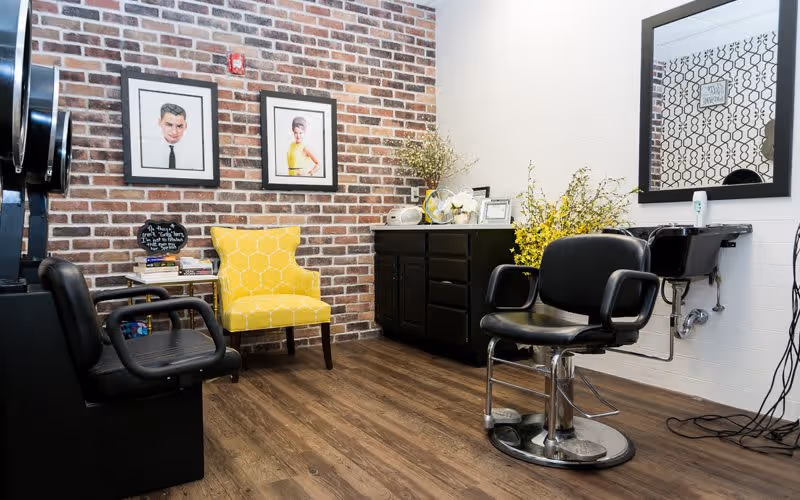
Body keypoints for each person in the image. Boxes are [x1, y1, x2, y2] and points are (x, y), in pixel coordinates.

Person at [141, 103, 202, 171]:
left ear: (186, 126)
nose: (174, 132)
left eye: (179, 126)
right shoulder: (146, 151)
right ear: (160, 122)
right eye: (169, 125)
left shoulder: (197, 153)